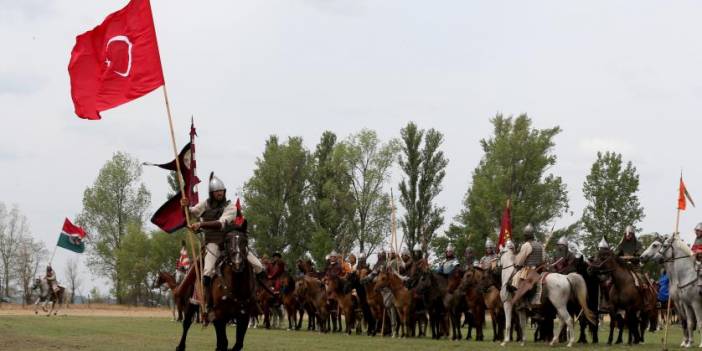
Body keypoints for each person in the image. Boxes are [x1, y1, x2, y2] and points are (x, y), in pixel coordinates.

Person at [183, 172, 263, 317]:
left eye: (221, 191)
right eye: (217, 191)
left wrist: (201, 224)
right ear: (212, 193)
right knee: (207, 272)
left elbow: (221, 223)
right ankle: (208, 303)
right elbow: (192, 213)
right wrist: (185, 206)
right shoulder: (205, 204)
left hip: (230, 242)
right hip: (212, 243)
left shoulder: (231, 207)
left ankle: (255, 298)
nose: (220, 193)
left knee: (258, 265)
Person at [510, 224, 544, 304]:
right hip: (540, 270)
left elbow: (519, 261)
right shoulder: (540, 245)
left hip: (529, 270)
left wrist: (516, 263)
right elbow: (544, 258)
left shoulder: (526, 245)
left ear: (525, 236)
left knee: (514, 280)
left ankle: (522, 301)